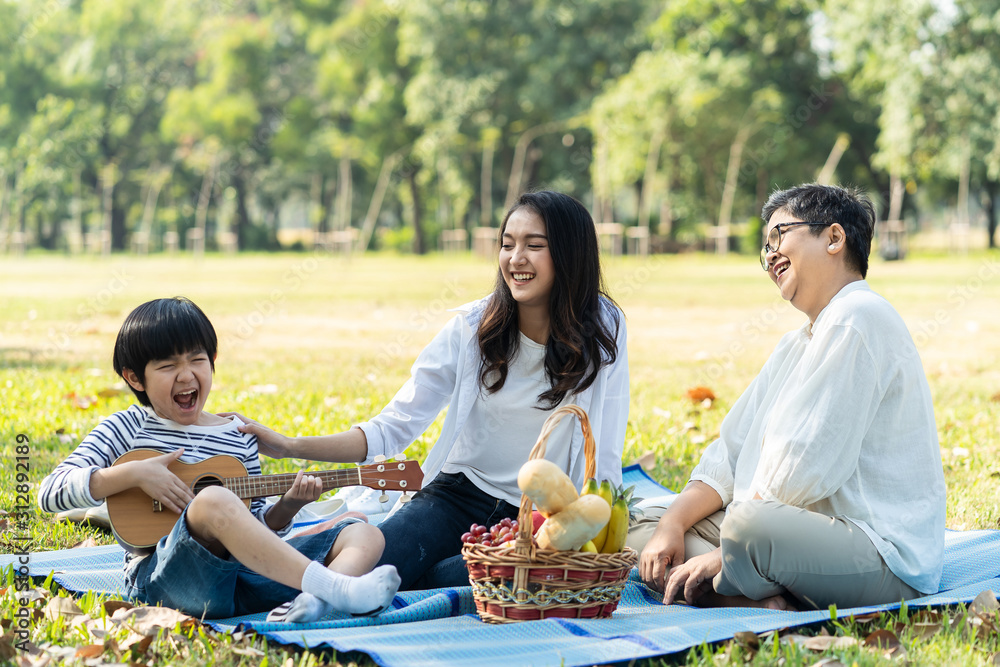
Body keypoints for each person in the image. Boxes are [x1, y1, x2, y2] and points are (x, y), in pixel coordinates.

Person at [231, 191, 630, 590]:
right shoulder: (475, 326)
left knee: (506, 578)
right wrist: (289, 446)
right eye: (507, 244)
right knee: (368, 568)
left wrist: (602, 525)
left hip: (542, 514)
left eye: (534, 245)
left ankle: (442, 571)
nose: (515, 258)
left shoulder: (604, 328)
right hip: (457, 498)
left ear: (570, 254)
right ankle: (405, 558)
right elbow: (392, 428)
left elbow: (606, 445)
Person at [628, 183, 946, 611]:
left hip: (877, 554)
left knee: (748, 526)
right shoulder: (796, 344)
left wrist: (725, 550)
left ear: (834, 237)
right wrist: (671, 523)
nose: (771, 255)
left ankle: (733, 583)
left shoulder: (859, 318)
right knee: (637, 527)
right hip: (781, 534)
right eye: (766, 247)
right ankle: (754, 595)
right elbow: (730, 453)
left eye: (780, 235)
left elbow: (805, 466)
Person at [39, 297, 400, 622]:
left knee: (365, 533)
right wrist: (132, 474)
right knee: (213, 499)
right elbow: (49, 492)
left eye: (197, 360)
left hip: (244, 582)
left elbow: (258, 530)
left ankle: (313, 602)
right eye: (167, 366)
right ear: (135, 378)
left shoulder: (236, 434)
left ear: (212, 362)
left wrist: (287, 506)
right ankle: (339, 590)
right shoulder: (127, 426)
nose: (186, 375)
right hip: (169, 581)